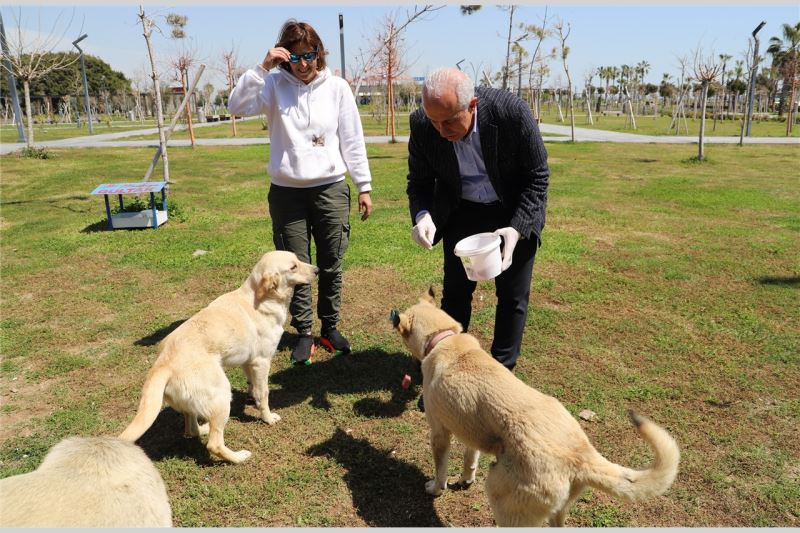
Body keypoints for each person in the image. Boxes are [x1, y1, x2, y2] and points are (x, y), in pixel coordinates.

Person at [228, 20, 373, 365]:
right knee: (295, 267)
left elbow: (352, 140)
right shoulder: (273, 84)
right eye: (295, 57)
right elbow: (236, 106)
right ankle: (304, 332)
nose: (304, 64)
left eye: (310, 55)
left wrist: (363, 186)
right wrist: (262, 68)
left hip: (330, 189)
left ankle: (330, 326)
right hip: (287, 192)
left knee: (331, 262)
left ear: (319, 54)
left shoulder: (337, 87)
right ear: (284, 57)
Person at [406, 67, 549, 373]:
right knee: (456, 293)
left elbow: (537, 178)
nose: (441, 132)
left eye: (448, 122)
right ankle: (448, 367)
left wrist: (518, 228)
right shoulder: (422, 125)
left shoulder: (511, 113)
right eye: (434, 121)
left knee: (512, 296)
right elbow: (418, 183)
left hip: (511, 209)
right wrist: (422, 215)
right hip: (462, 210)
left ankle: (501, 372)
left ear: (471, 105)